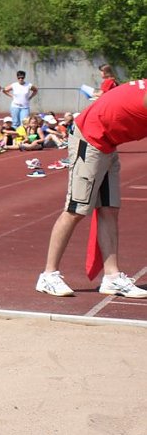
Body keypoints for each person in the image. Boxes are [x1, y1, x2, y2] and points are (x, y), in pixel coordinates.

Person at [36, 79, 147, 298]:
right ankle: (48, 275)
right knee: (76, 209)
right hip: (91, 138)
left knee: (109, 209)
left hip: (108, 141)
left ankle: (112, 278)